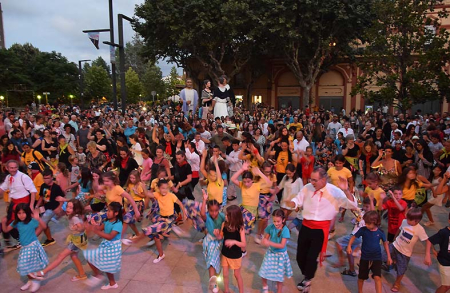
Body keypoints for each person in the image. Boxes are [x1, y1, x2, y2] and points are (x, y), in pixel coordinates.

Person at [285, 167, 357, 292]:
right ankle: (307, 273)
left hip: (321, 230)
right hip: (306, 226)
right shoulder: (307, 187)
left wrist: (346, 190)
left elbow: (352, 205)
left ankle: (307, 279)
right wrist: (293, 203)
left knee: (312, 257)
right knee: (300, 256)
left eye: (315, 180)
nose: (311, 182)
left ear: (324, 179)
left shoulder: (335, 191)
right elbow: (298, 199)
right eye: (311, 179)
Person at [29, 199, 88, 282]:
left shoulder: (75, 218)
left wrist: (78, 227)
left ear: (76, 209)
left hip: (77, 241)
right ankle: (82, 274)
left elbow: (81, 227)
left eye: (71, 208)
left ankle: (42, 272)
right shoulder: (75, 215)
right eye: (67, 206)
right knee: (74, 256)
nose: (68, 209)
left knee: (61, 256)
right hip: (78, 239)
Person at [135, 179, 187, 263]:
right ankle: (161, 254)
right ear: (159, 188)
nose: (165, 190)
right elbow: (148, 194)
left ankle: (135, 239)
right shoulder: (157, 194)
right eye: (163, 188)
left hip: (169, 220)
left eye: (166, 188)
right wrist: (144, 187)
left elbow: (180, 203)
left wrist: (184, 213)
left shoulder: (171, 195)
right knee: (156, 237)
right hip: (161, 218)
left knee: (151, 229)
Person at [1, 203, 48, 293]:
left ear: (27, 213)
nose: (21, 215)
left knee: (23, 264)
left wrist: (38, 219)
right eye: (19, 213)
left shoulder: (32, 221)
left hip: (32, 246)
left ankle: (35, 280)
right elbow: (6, 230)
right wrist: (3, 222)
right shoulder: (16, 222)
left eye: (23, 213)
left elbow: (44, 226)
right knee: (28, 266)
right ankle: (31, 280)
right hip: (24, 247)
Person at [347, 211, 392, 293]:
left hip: (377, 258)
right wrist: (349, 245)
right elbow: (354, 237)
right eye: (365, 223)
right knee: (361, 278)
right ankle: (360, 291)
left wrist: (389, 256)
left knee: (377, 277)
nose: (366, 225)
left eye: (368, 223)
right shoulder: (363, 230)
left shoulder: (380, 232)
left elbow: (385, 244)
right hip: (365, 258)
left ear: (375, 222)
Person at [84, 202, 124, 290]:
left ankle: (109, 281)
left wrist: (98, 232)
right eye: (107, 210)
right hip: (106, 245)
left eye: (109, 211)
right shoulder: (107, 221)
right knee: (89, 257)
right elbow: (100, 228)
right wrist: (93, 226)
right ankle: (103, 277)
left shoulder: (118, 224)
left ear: (116, 213)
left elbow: (110, 237)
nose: (107, 212)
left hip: (113, 247)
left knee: (107, 266)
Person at [387, 208, 428, 292]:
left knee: (401, 269)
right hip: (395, 245)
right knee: (383, 255)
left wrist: (428, 254)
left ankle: (397, 283)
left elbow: (427, 241)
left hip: (405, 253)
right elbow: (399, 229)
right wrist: (394, 239)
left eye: (410, 220)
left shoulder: (420, 229)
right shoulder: (404, 221)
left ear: (416, 221)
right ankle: (392, 262)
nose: (407, 221)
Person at [0, 160, 38, 250]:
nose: (13, 170)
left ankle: (23, 240)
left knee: (18, 223)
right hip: (13, 202)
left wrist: (31, 205)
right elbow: (2, 188)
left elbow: (33, 191)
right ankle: (17, 240)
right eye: (11, 168)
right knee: (10, 222)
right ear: (7, 168)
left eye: (15, 167)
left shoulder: (23, 177)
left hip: (23, 203)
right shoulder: (8, 177)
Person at [334, 196, 374, 276]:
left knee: (338, 242)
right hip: (356, 236)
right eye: (364, 205)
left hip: (357, 236)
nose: (365, 208)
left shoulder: (371, 216)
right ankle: (351, 270)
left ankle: (341, 261)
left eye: (367, 206)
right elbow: (354, 208)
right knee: (350, 253)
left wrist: (371, 200)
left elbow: (373, 211)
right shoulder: (362, 211)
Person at [258, 209, 293, 293]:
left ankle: (279, 291)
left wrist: (269, 242)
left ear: (283, 220)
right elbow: (266, 238)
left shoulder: (285, 230)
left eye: (278, 221)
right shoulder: (271, 227)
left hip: (280, 255)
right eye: (274, 221)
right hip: (271, 252)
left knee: (279, 276)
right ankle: (265, 287)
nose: (276, 223)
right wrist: (264, 240)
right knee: (263, 271)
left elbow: (282, 245)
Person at [200, 191, 225, 293]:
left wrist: (220, 235)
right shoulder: (206, 216)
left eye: (216, 210)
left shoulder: (222, 216)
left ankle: (216, 283)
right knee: (211, 263)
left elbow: (225, 229)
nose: (214, 213)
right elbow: (201, 213)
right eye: (211, 211)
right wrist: (204, 200)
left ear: (219, 209)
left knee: (217, 265)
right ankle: (213, 286)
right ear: (208, 210)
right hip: (209, 242)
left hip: (220, 242)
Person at [218, 205, 246, 293]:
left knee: (236, 274)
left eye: (227, 215)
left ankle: (241, 291)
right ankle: (226, 290)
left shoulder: (240, 228)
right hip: (225, 253)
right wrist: (217, 234)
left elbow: (244, 244)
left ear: (234, 217)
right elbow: (220, 237)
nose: (225, 216)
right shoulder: (224, 224)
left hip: (235, 255)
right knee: (225, 274)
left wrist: (234, 242)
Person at [36, 168, 66, 247]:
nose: (45, 180)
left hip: (52, 209)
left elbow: (62, 198)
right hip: (45, 207)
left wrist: (59, 208)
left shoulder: (56, 187)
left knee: (42, 224)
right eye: (44, 178)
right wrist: (36, 206)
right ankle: (49, 239)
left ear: (52, 177)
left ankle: (31, 240)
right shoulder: (43, 186)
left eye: (47, 178)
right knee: (44, 224)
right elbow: (41, 196)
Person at [425, 212, 450, 293]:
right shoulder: (444, 232)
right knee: (446, 286)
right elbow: (430, 240)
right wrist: (429, 253)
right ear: (449, 221)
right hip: (445, 262)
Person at [123, 170, 146, 239]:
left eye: (133, 178)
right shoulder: (130, 185)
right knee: (129, 219)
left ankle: (138, 234)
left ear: (137, 178)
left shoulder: (140, 185)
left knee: (128, 219)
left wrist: (137, 193)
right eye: (130, 178)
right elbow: (125, 192)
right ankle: (137, 233)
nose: (132, 180)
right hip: (131, 203)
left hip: (139, 203)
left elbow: (144, 195)